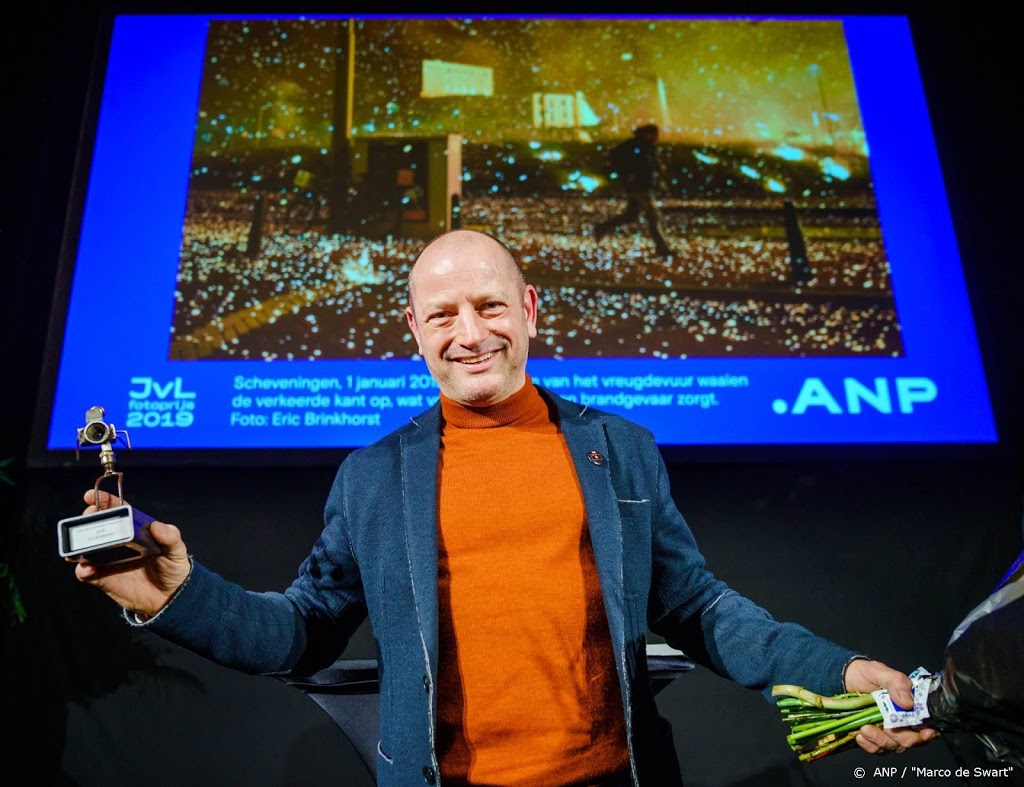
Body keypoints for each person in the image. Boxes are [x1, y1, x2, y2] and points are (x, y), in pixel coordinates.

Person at [71, 229, 936, 786]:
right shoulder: (373, 475)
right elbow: (298, 631)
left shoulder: (621, 447)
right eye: (442, 314)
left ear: (528, 311)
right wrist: (177, 596)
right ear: (413, 329)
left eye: (488, 304)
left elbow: (703, 608)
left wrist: (840, 670)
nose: (469, 332)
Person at [593, 124, 673, 258]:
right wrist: (628, 173)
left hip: (643, 184)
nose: (657, 137)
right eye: (654, 134)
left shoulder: (647, 146)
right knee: (653, 216)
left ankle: (602, 227)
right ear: (647, 134)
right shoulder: (634, 146)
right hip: (638, 185)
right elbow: (620, 160)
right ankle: (662, 248)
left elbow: (651, 164)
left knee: (632, 215)